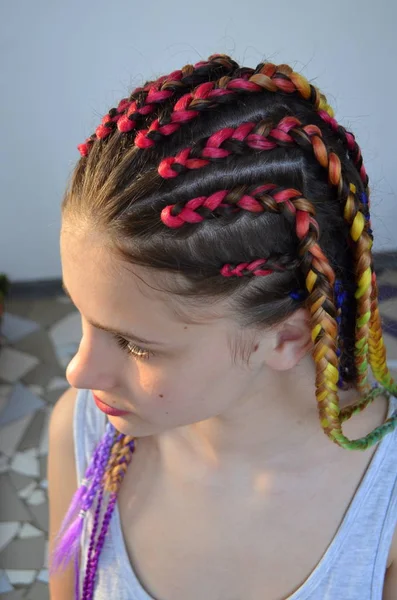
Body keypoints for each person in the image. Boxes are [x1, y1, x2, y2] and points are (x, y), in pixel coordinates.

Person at [47, 53, 397, 600]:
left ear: (287, 337)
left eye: (135, 345)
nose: (77, 372)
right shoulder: (84, 433)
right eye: (83, 316)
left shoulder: (383, 512)